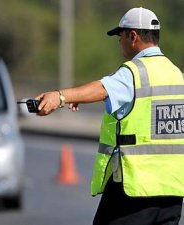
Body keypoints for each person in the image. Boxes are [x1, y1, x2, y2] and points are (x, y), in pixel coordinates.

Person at [35, 7, 184, 225]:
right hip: (172, 191)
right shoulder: (177, 75)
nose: (119, 42)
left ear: (132, 36)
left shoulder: (134, 72)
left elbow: (103, 88)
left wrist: (60, 96)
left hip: (134, 190)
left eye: (120, 36)